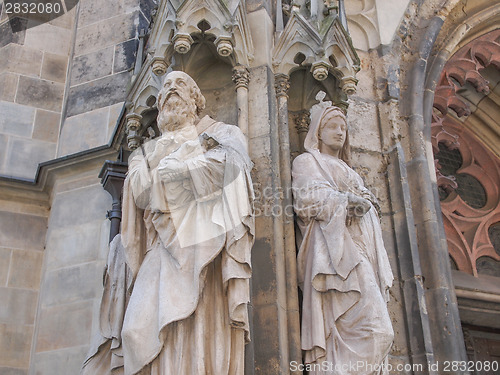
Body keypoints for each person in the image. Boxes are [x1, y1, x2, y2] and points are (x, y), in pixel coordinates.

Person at [82, 71, 254, 375]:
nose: (173, 89)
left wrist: (174, 169)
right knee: (135, 330)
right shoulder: (143, 154)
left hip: (204, 247)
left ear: (195, 101)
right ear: (159, 104)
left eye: (182, 86)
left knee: (197, 324)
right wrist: (172, 169)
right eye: (167, 88)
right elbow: (140, 192)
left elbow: (235, 167)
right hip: (159, 248)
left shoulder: (220, 133)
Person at [292, 94, 394, 374]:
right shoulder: (306, 161)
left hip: (359, 251)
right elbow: (305, 199)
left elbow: (367, 204)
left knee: (381, 333)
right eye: (333, 126)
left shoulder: (351, 171)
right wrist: (347, 202)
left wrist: (362, 203)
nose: (340, 132)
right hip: (331, 257)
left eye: (344, 128)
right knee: (377, 331)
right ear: (318, 132)